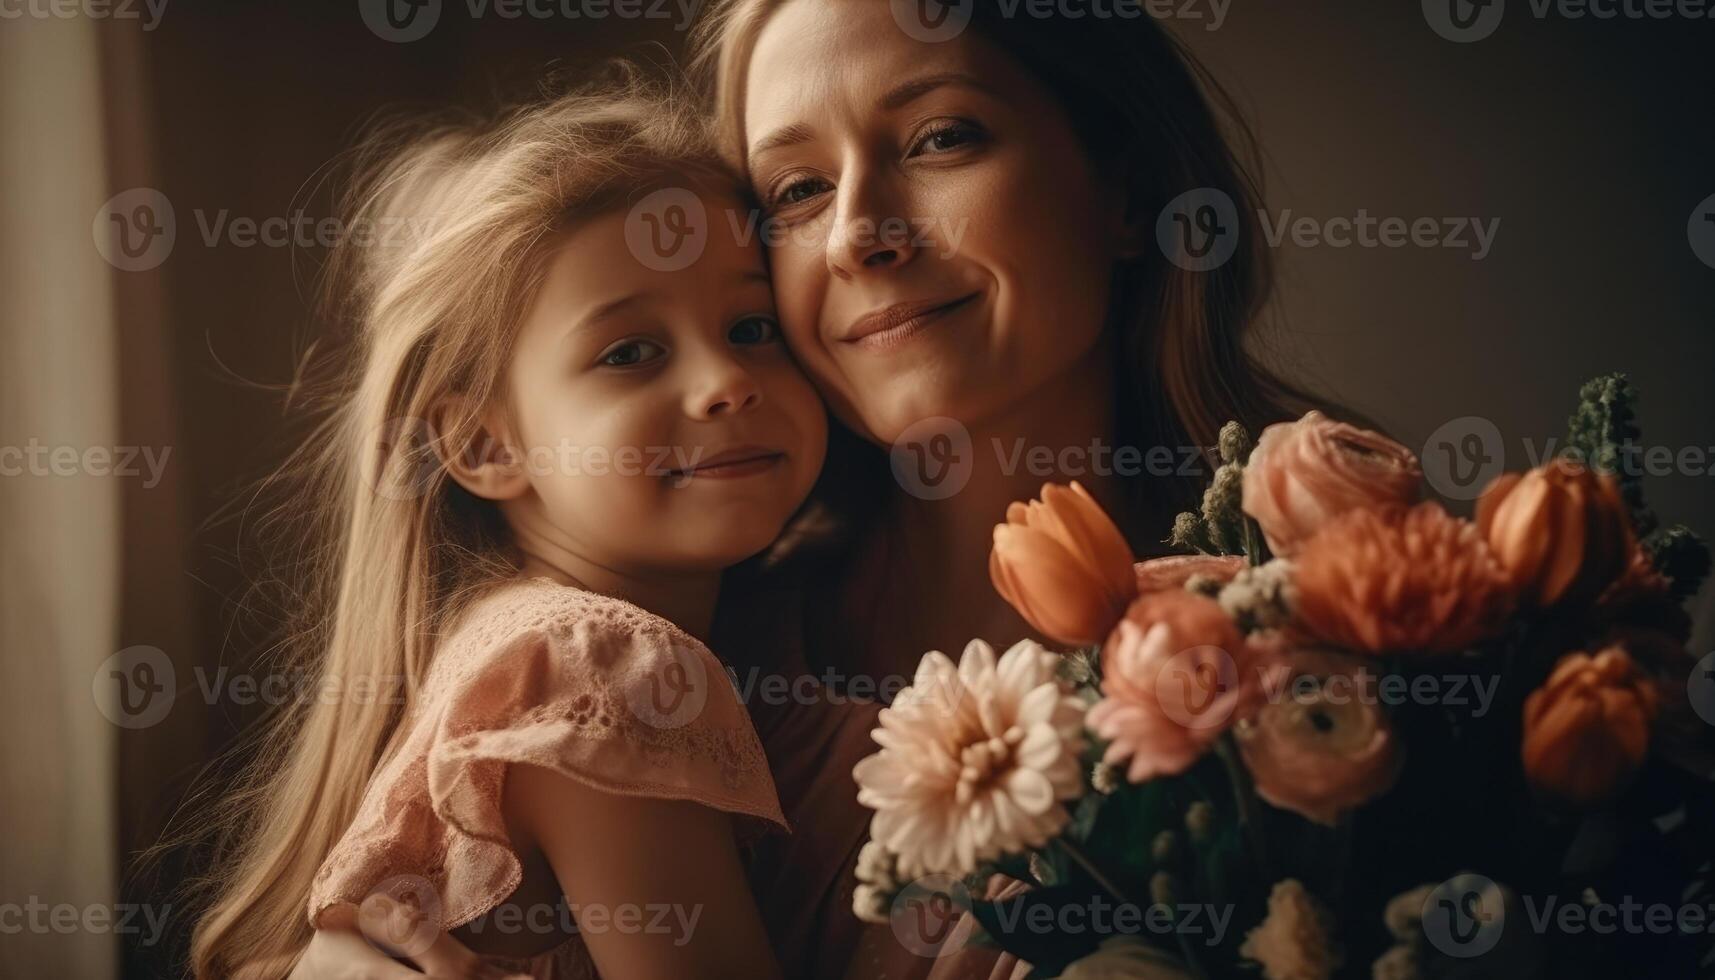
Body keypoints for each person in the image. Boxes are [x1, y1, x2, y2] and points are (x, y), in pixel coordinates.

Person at [190, 75, 831, 979]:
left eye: (752, 324)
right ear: (486, 443)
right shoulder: (592, 663)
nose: (725, 379)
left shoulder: (512, 641)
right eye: (630, 352)